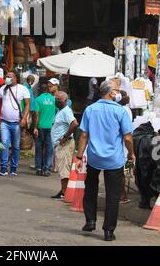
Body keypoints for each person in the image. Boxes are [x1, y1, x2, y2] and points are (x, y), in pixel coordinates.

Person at [76, 79, 135, 241]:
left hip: (94, 157)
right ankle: (108, 231)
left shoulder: (90, 109)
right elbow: (128, 138)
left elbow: (84, 135)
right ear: (111, 93)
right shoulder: (121, 111)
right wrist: (131, 153)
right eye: (117, 89)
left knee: (90, 189)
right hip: (114, 159)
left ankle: (90, 221)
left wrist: (79, 156)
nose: (119, 92)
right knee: (112, 195)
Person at [0, 71, 30, 176]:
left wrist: (24, 118)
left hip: (16, 123)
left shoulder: (23, 89)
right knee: (4, 143)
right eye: (6, 77)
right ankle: (4, 167)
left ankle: (13, 168)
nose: (7, 79)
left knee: (16, 146)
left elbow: (27, 104)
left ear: (15, 78)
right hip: (4, 122)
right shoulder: (3, 88)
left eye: (9, 77)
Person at [51, 91, 79, 199]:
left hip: (65, 144)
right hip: (60, 144)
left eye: (59, 100)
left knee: (64, 169)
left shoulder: (66, 111)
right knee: (62, 168)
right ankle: (63, 190)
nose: (57, 101)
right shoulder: (61, 111)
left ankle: (64, 192)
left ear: (65, 100)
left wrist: (64, 137)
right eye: (56, 99)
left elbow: (75, 124)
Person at [33, 83, 57, 176]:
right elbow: (56, 111)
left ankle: (39, 168)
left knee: (39, 147)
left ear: (39, 90)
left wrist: (35, 127)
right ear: (48, 89)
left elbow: (37, 114)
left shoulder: (38, 99)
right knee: (49, 148)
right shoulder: (53, 99)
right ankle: (47, 169)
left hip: (40, 127)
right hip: (51, 126)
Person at [118, 90, 133, 204]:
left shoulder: (122, 110)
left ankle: (123, 194)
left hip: (123, 141)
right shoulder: (127, 109)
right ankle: (124, 193)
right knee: (125, 169)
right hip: (126, 141)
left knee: (122, 170)